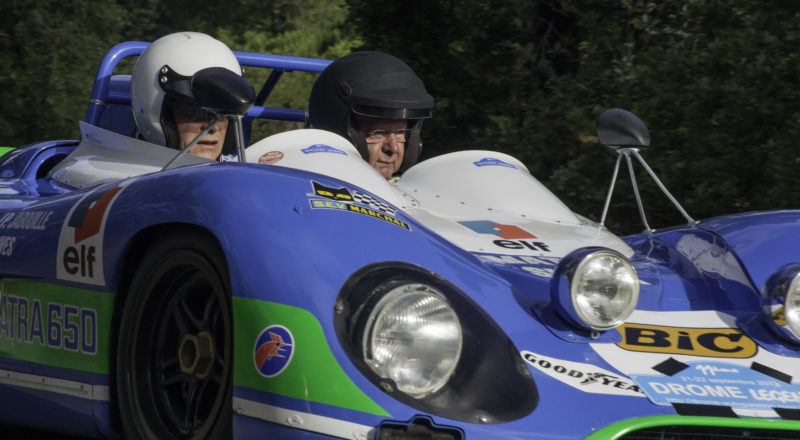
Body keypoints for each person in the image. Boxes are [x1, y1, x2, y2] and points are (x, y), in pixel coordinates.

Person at [307, 51, 434, 179]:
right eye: (378, 133)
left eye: (401, 133)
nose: (393, 148)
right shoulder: (304, 183)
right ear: (339, 133)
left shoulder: (415, 189)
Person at [130, 32, 246, 160]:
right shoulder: (121, 168)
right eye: (197, 112)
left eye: (223, 114)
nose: (212, 127)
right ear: (162, 113)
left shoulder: (242, 168)